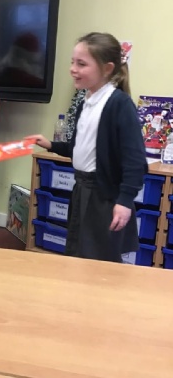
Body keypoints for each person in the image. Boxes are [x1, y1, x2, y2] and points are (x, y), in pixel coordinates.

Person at [26, 32, 147, 262]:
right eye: (72, 62)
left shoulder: (118, 104)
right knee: (77, 252)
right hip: (81, 189)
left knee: (100, 258)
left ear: (107, 68)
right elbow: (80, 149)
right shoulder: (86, 102)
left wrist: (124, 201)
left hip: (103, 196)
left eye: (81, 64)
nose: (73, 69)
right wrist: (50, 145)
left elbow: (135, 161)